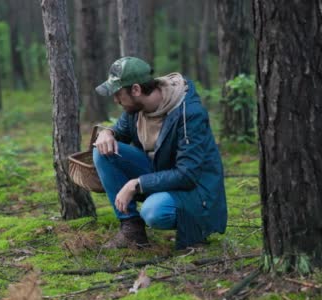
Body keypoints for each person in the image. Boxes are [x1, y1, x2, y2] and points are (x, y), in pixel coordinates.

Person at [93, 56, 227, 249]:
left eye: (118, 93)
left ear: (136, 89)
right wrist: (107, 132)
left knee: (154, 211)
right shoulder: (136, 109)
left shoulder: (189, 113)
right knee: (103, 151)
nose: (115, 100)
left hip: (195, 191)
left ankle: (196, 232)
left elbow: (187, 174)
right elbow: (119, 131)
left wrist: (136, 184)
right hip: (161, 174)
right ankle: (132, 229)